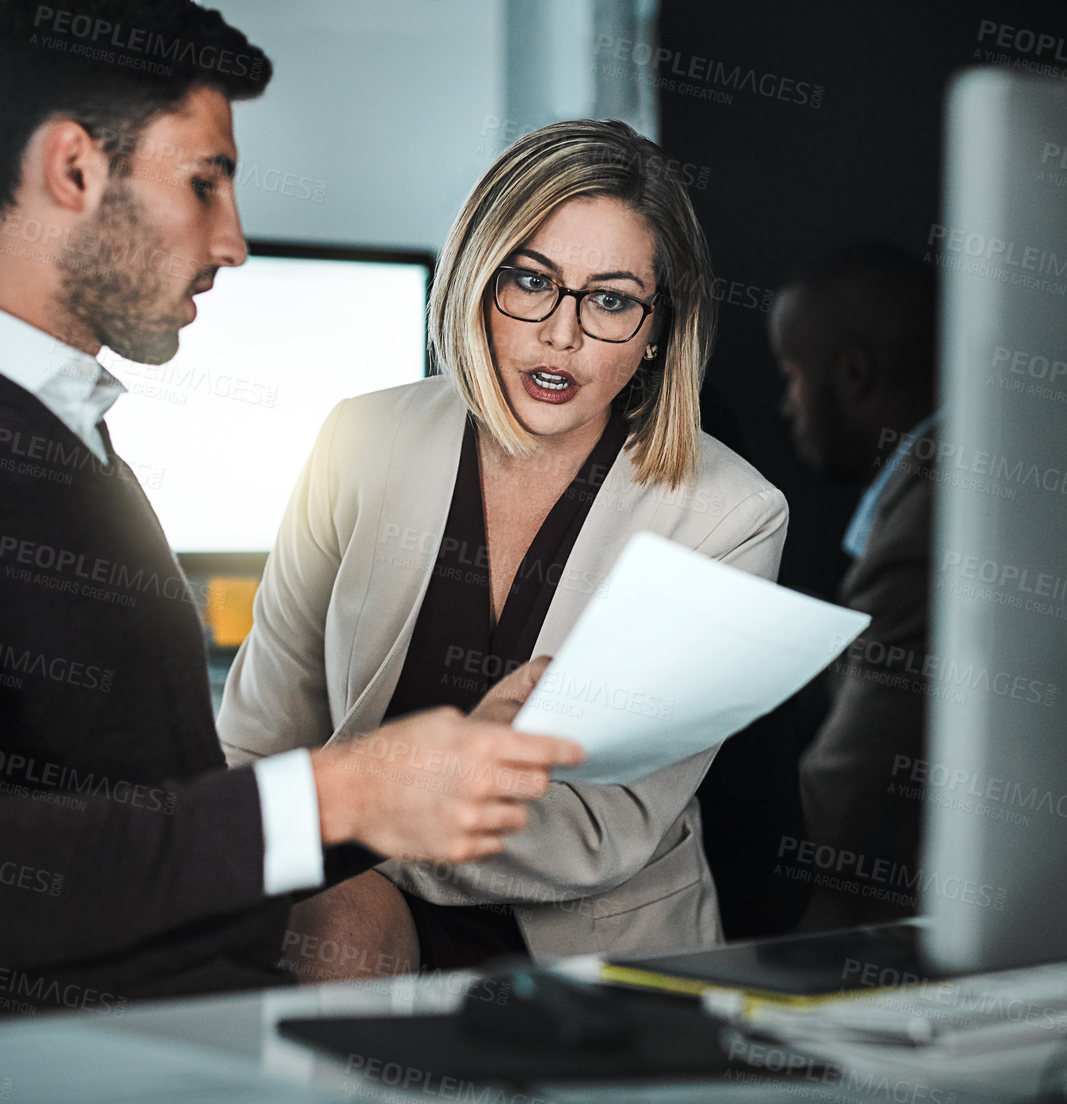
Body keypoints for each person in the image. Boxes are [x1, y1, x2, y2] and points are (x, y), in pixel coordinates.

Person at [0, 0, 579, 1027]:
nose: (235, 242)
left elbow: (141, 835)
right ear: (73, 169)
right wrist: (336, 793)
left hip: (179, 1036)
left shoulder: (63, 438)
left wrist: (411, 784)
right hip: (37, 1081)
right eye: (204, 182)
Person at [217, 120, 790, 977]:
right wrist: (332, 860)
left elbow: (603, 833)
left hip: (590, 963)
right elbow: (259, 743)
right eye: (531, 281)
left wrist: (348, 823)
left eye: (609, 299)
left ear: (658, 329)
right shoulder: (359, 439)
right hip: (347, 933)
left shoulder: (728, 512)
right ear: (476, 279)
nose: (561, 335)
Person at [771, 242, 938, 930]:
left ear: (854, 374)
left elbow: (851, 799)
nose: (786, 406)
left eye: (791, 378)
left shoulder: (921, 522)